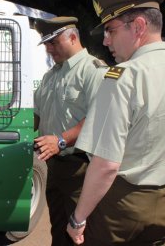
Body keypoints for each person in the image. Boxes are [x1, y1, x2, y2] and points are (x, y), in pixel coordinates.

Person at [67, 0, 165, 245]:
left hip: (121, 208)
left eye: (111, 30)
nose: (105, 41)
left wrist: (78, 219)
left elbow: (106, 165)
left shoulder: (122, 77)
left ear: (139, 27)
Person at [33, 16, 108, 246]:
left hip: (82, 169)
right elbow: (37, 116)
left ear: (73, 37)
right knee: (58, 230)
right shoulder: (50, 76)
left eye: (53, 42)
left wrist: (61, 141)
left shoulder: (94, 71)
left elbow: (100, 118)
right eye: (46, 44)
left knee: (82, 234)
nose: (48, 49)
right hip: (54, 167)